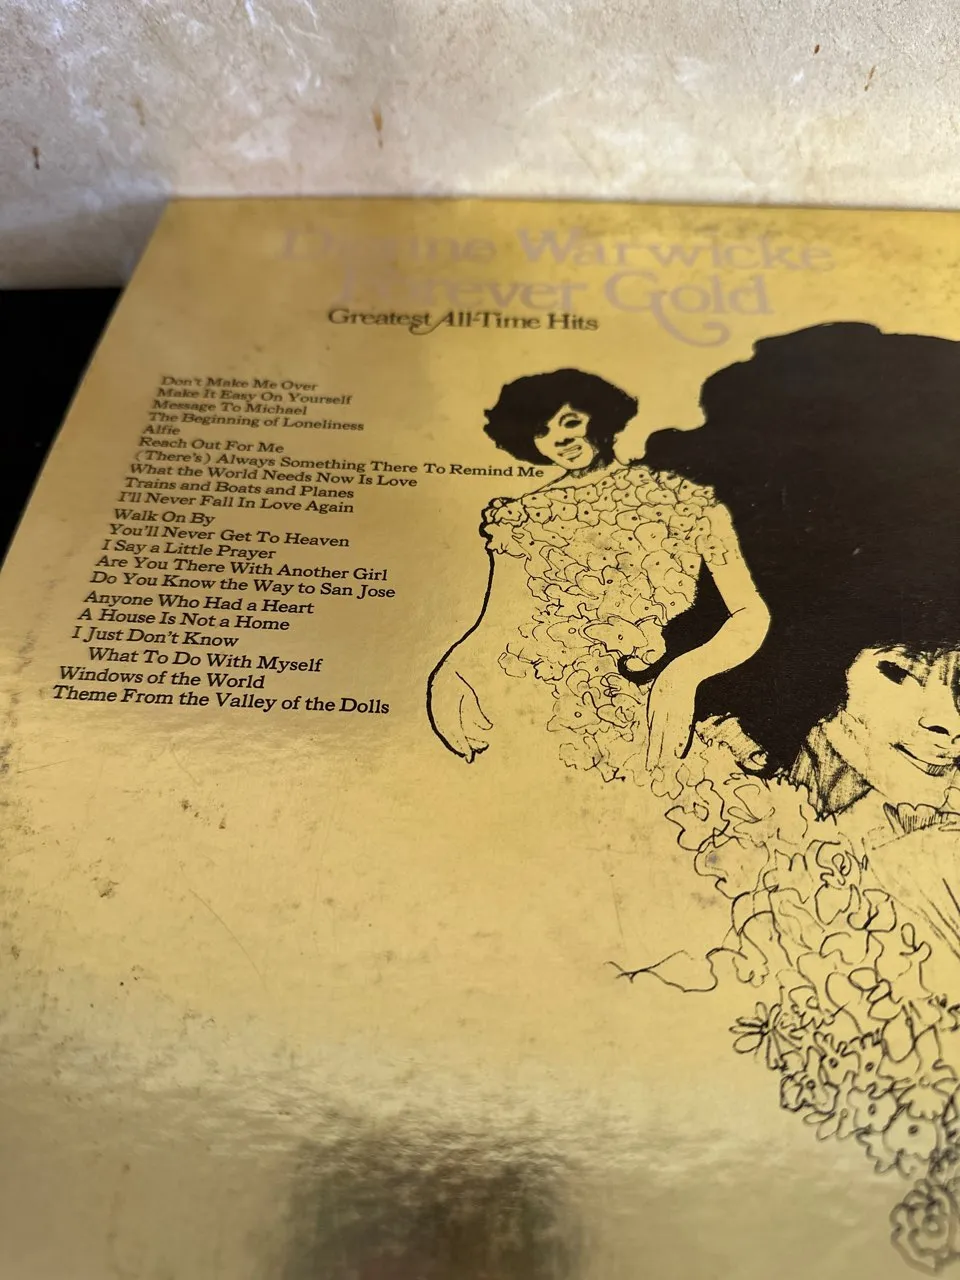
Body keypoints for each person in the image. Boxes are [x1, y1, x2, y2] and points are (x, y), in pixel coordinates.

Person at [427, 368, 769, 782]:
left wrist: (684, 676)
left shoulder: (683, 499)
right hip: (545, 708)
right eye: (542, 431)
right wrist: (451, 672)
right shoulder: (521, 517)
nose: (560, 439)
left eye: (570, 422)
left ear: (600, 417)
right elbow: (498, 623)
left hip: (657, 702)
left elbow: (749, 613)